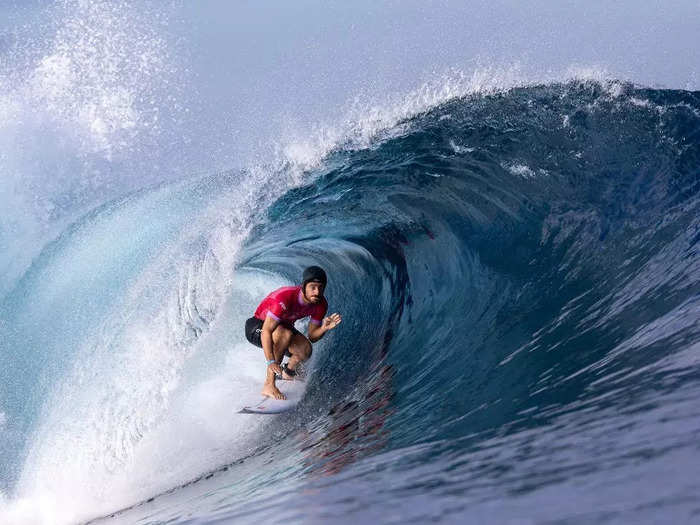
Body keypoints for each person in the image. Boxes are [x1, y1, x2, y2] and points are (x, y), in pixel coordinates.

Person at [244, 266, 342, 400]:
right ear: (303, 286)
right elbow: (267, 331)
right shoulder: (285, 298)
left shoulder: (321, 304)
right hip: (256, 327)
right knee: (284, 334)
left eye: (321, 287)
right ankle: (269, 384)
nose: (317, 292)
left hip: (282, 328)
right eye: (313, 287)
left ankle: (288, 372)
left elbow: (312, 337)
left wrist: (324, 328)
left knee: (305, 350)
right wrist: (271, 362)